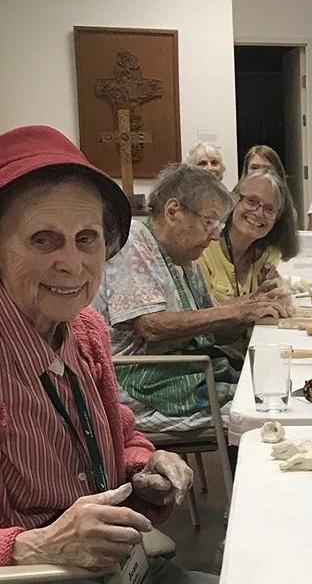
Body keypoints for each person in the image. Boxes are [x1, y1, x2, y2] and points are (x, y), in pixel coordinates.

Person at [0, 125, 215, 584]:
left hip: (115, 572)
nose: (71, 263)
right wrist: (34, 545)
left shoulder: (84, 331)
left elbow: (120, 432)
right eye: (43, 239)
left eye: (87, 239)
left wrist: (147, 464)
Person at [94, 163, 292, 431]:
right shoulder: (134, 240)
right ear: (173, 211)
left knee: (273, 389)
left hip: (178, 370)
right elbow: (150, 326)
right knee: (263, 408)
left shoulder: (185, 259)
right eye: (209, 222)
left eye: (219, 225)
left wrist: (256, 302)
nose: (215, 236)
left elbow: (215, 331)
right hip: (135, 384)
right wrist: (238, 310)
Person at [199, 167, 299, 303]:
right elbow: (201, 311)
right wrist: (256, 300)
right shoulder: (203, 249)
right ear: (234, 199)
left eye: (269, 209)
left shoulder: (268, 256)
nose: (258, 213)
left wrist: (278, 292)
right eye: (252, 201)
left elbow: (281, 301)